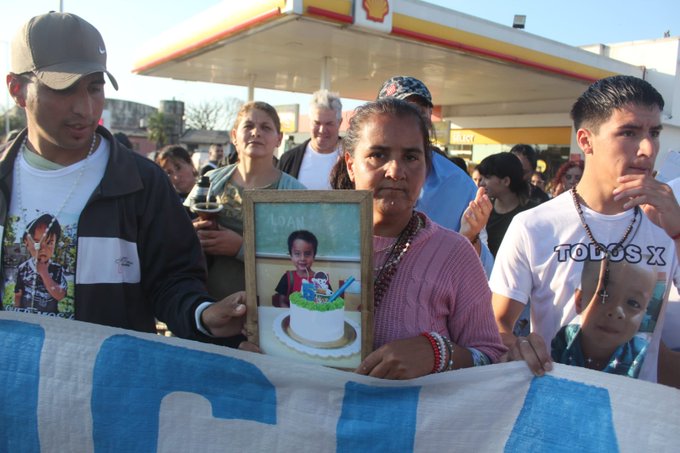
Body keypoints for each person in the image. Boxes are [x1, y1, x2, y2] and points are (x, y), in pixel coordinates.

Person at [2, 12, 245, 345]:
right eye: (63, 89)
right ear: (17, 89)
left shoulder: (143, 183)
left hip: (107, 391)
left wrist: (203, 315)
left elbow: (173, 282)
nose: (85, 108)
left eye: (94, 87)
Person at [490, 75, 680, 385]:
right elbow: (497, 325)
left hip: (638, 420)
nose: (647, 148)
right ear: (586, 140)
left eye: (654, 133)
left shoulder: (665, 224)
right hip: (554, 409)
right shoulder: (535, 225)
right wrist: (519, 347)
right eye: (629, 132)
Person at [332, 98, 506, 379]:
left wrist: (438, 354)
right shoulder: (308, 244)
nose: (395, 171)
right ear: (351, 165)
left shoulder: (455, 254)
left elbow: (491, 357)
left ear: (426, 168)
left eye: (411, 157)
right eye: (378, 155)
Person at [187, 101, 305, 303]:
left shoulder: (296, 193)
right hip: (208, 306)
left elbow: (305, 259)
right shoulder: (210, 182)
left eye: (266, 128)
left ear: (279, 139)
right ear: (234, 136)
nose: (256, 133)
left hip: (270, 308)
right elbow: (179, 236)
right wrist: (192, 233)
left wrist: (242, 248)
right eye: (248, 126)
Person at [375, 76, 494, 275]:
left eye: (420, 114)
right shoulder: (357, 173)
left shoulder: (459, 184)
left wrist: (471, 238)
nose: (412, 123)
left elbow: (485, 269)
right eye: (401, 113)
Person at [551, 258, 657, 378]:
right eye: (603, 295)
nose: (616, 312)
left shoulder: (641, 353)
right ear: (579, 301)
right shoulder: (564, 338)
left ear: (644, 314)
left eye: (633, 303)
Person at [278, 89, 343, 189]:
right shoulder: (288, 160)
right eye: (317, 123)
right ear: (309, 122)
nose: (322, 130)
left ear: (340, 123)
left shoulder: (354, 158)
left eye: (329, 124)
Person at [476, 152, 536, 257]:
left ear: (506, 181)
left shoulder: (532, 212)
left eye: (487, 177)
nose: (481, 183)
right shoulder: (484, 210)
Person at [13, 214, 68, 315]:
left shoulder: (57, 269)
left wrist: (44, 273)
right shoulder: (23, 268)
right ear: (26, 242)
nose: (43, 249)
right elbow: (18, 294)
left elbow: (60, 295)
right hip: (26, 317)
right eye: (36, 242)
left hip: (50, 320)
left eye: (49, 243)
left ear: (55, 244)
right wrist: (16, 312)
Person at [273, 230, 328, 307]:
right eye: (297, 254)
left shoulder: (321, 279)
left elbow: (326, 302)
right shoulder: (287, 278)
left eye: (307, 254)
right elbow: (282, 302)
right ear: (291, 255)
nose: (302, 258)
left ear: (314, 256)